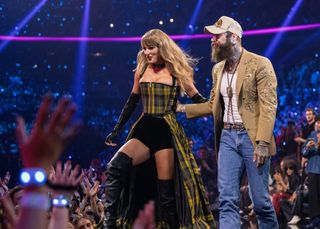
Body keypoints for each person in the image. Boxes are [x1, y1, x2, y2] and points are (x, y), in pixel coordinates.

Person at [104, 29, 214, 228]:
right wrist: (117, 129)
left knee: (166, 193)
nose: (146, 52)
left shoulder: (177, 72)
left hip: (166, 131)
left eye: (151, 47)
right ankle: (109, 224)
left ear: (162, 47)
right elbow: (131, 102)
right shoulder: (141, 70)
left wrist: (211, 104)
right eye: (144, 48)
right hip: (144, 129)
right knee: (115, 167)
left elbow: (201, 102)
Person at [177, 16, 278, 228]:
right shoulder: (218, 69)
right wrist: (182, 108)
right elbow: (212, 105)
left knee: (260, 203)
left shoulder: (260, 64)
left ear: (234, 37)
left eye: (217, 36)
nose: (212, 40)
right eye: (212, 37)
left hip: (253, 138)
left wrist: (262, 143)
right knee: (227, 200)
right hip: (228, 138)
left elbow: (269, 107)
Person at [301, 118, 320, 228]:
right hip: (313, 169)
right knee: (313, 196)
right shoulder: (312, 134)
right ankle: (314, 219)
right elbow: (304, 152)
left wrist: (317, 146)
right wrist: (307, 147)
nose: (318, 124)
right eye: (317, 123)